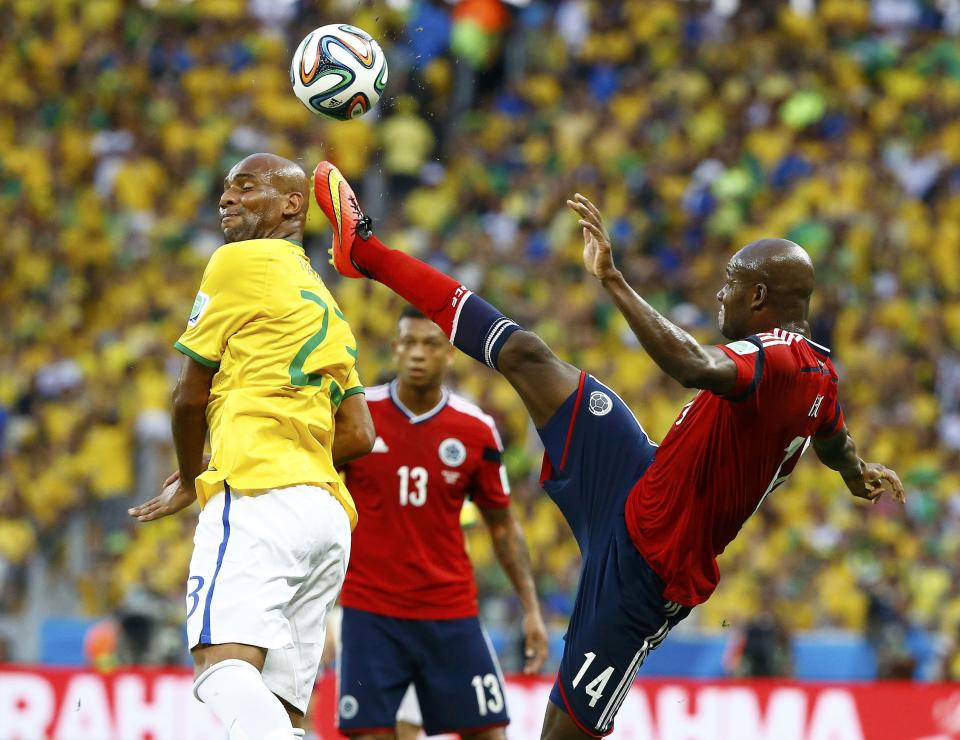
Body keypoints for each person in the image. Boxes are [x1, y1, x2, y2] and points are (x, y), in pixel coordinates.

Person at [312, 161, 905, 739]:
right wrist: (856, 475)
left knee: (561, 732)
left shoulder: (774, 356)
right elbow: (834, 439)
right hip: (637, 475)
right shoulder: (820, 376)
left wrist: (613, 281)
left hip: (651, 566)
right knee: (527, 355)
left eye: (728, 283)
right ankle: (365, 253)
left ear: (757, 296)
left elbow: (689, 364)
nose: (718, 294)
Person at [128, 153, 375, 740]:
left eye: (246, 186)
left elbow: (189, 397)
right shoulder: (322, 298)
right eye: (225, 188)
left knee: (221, 671)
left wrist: (193, 478)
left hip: (260, 498)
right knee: (282, 713)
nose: (227, 198)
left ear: (293, 205)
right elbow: (361, 432)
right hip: (326, 518)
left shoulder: (239, 261)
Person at [335, 306, 549, 739]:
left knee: (491, 732)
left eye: (430, 344)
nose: (417, 354)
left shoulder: (475, 429)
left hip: (449, 610)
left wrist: (530, 609)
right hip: (370, 612)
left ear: (449, 353)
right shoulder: (358, 418)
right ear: (394, 348)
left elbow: (502, 525)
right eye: (408, 343)